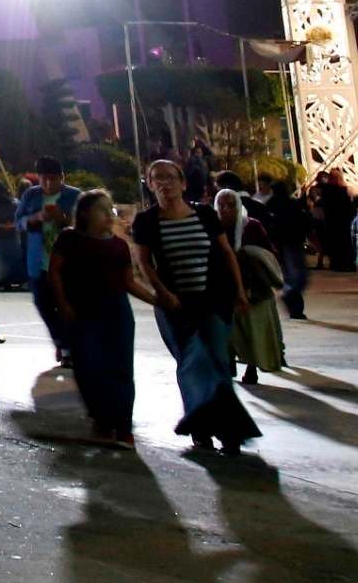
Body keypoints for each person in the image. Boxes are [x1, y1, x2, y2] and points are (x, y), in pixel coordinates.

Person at [129, 158, 259, 455]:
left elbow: (226, 253)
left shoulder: (203, 215)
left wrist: (238, 289)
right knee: (190, 363)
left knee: (215, 360)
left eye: (171, 177)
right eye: (157, 178)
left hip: (212, 300)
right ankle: (200, 426)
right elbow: (144, 262)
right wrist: (161, 292)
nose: (165, 183)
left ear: (183, 183)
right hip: (175, 305)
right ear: (150, 185)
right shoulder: (147, 221)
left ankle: (229, 429)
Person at [46, 188, 154, 445]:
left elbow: (128, 282)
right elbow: (55, 273)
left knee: (121, 369)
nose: (109, 215)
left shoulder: (118, 246)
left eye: (111, 209)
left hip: (116, 312)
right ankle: (102, 418)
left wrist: (158, 300)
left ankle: (123, 426)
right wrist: (63, 305)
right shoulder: (69, 239)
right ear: (85, 212)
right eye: (102, 209)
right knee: (89, 368)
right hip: (82, 312)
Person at [215, 188, 287, 388]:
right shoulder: (213, 227)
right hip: (224, 288)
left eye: (230, 205)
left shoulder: (252, 226)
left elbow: (269, 253)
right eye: (221, 205)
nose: (225, 209)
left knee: (254, 332)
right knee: (229, 333)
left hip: (254, 289)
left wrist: (247, 256)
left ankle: (252, 368)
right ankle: (229, 367)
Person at [16, 158, 83, 363]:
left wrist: (62, 218)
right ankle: (60, 341)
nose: (48, 184)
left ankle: (68, 348)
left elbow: (85, 224)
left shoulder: (74, 196)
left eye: (53, 179)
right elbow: (19, 221)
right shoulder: (31, 195)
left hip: (67, 262)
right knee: (42, 303)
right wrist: (34, 218)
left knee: (67, 304)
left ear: (62, 178)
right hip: (38, 260)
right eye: (44, 179)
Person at [258, 178, 314, 320]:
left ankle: (292, 304)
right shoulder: (292, 204)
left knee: (291, 276)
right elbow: (305, 221)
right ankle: (292, 302)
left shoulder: (270, 205)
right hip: (292, 243)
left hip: (281, 244)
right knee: (299, 276)